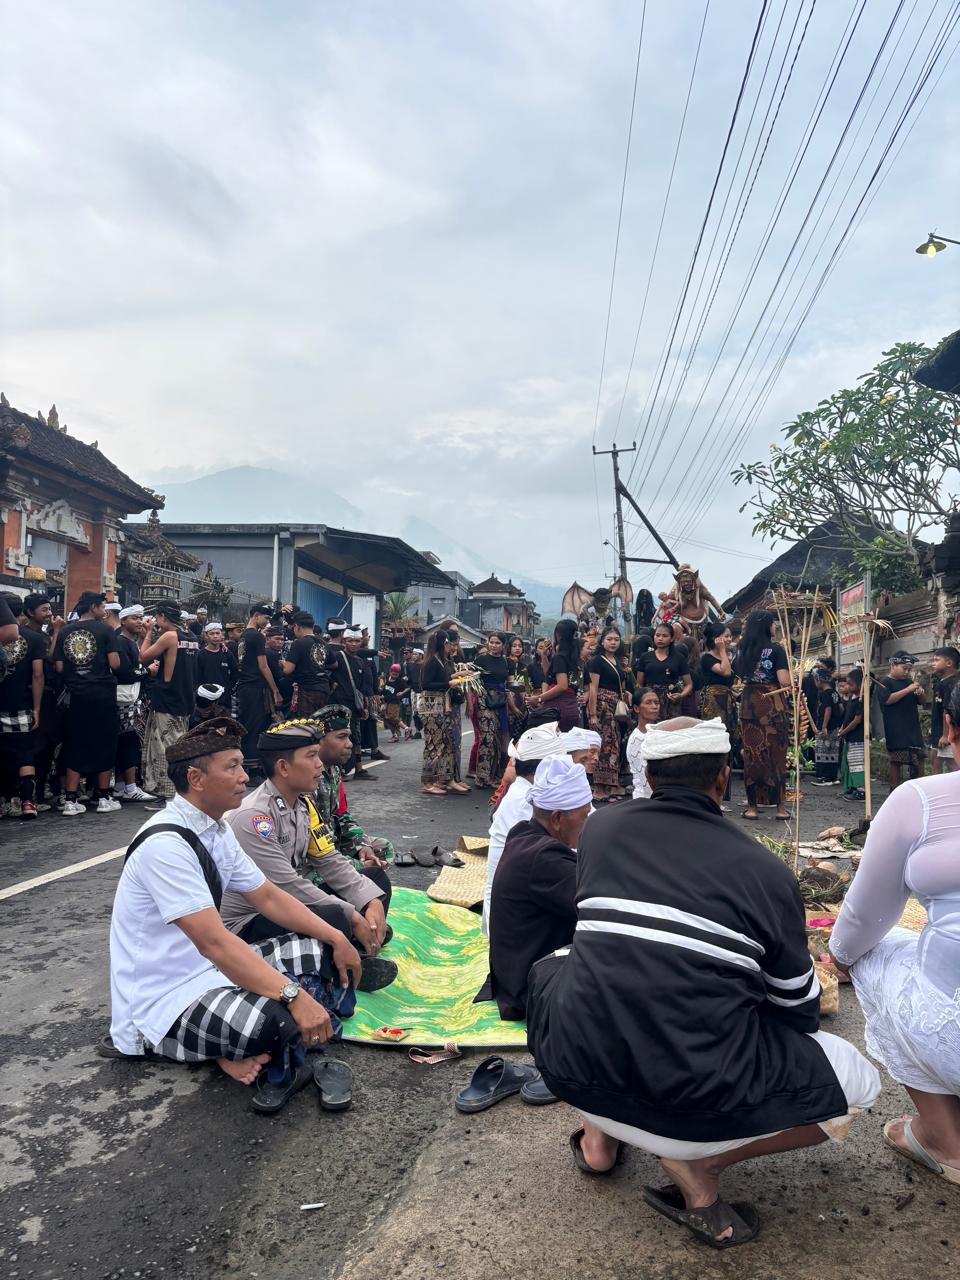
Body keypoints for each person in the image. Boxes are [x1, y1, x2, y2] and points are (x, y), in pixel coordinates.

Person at [528, 717, 881, 1249]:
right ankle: (703, 1165)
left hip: (573, 1067)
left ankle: (600, 1138)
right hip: (691, 1096)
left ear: (647, 772)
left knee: (560, 966)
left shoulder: (601, 828)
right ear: (723, 780)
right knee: (860, 1081)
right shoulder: (765, 872)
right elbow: (798, 1007)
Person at [104, 716, 361, 1111]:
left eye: (242, 765)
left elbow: (269, 897)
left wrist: (336, 937)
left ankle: (244, 1043)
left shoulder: (216, 829)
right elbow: (214, 942)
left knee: (320, 944)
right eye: (232, 767)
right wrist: (291, 994)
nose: (245, 776)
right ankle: (208, 1047)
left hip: (210, 975)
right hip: (165, 999)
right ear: (196, 778)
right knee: (278, 1019)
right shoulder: (166, 845)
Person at [830, 679, 960, 1186]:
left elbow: (863, 919)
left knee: (873, 954)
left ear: (948, 729)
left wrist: (838, 958)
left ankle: (943, 1139)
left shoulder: (921, 800)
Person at [221, 718, 393, 970]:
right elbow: (286, 887)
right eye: (311, 755)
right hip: (251, 921)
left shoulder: (302, 804)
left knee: (374, 879)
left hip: (287, 904)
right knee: (334, 915)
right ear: (283, 767)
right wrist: (352, 914)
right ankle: (344, 960)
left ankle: (357, 944)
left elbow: (329, 859)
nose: (320, 764)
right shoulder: (254, 818)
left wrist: (371, 900)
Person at [485, 756, 592, 1020]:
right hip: (530, 987)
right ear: (557, 819)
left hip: (514, 974)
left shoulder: (524, 833)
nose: (589, 822)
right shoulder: (545, 858)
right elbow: (595, 903)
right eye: (585, 815)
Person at [481, 723, 569, 936]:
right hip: (513, 924)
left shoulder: (526, 792)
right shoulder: (527, 803)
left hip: (508, 911)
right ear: (543, 770)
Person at [52, 591, 122, 816]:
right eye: (103, 606)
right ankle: (104, 796)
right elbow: (115, 663)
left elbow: (60, 668)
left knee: (75, 744)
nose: (105, 611)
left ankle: (70, 799)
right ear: (93, 607)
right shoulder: (106, 630)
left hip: (75, 695)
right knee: (104, 742)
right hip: (101, 693)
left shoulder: (65, 631)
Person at [309, 704, 398, 870]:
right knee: (357, 869)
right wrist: (356, 865)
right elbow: (309, 844)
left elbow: (342, 816)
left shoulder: (334, 770)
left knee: (381, 848)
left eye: (348, 737)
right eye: (341, 737)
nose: (349, 744)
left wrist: (362, 845)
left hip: (333, 842)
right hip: (315, 853)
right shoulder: (306, 776)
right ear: (319, 740)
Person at [138, 601, 200, 802]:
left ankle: (167, 793)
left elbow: (143, 658)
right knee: (180, 745)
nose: (155, 621)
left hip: (167, 698)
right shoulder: (191, 636)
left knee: (164, 748)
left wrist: (147, 633)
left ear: (163, 616)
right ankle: (180, 790)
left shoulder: (170, 636)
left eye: (157, 617)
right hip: (185, 699)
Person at [733, 609, 791, 822]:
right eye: (773, 623)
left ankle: (752, 808)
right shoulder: (776, 650)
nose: (775, 627)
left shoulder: (742, 650)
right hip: (771, 702)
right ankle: (780, 808)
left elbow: (737, 674)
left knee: (753, 755)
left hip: (749, 704)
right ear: (766, 626)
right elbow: (784, 681)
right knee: (777, 755)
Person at [0, 593, 46, 818]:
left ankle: (5, 801)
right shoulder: (34, 639)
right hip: (22, 703)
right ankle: (28, 801)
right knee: (25, 752)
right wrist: (37, 708)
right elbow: (38, 675)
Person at [112, 605, 155, 803]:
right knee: (128, 742)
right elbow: (125, 673)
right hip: (122, 698)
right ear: (122, 621)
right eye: (134, 618)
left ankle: (121, 786)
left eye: (140, 618)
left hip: (130, 698)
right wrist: (148, 671)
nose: (138, 622)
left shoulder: (130, 642)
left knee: (124, 742)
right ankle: (130, 787)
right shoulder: (120, 642)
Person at [419, 629, 470, 795]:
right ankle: (427, 782)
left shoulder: (442, 660)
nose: (451, 646)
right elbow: (426, 684)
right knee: (434, 743)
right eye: (448, 643)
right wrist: (450, 683)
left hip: (443, 705)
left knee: (446, 743)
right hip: (432, 706)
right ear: (443, 643)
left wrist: (457, 675)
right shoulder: (432, 661)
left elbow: (443, 679)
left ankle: (447, 778)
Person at [585, 625, 628, 802]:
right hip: (602, 707)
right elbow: (593, 688)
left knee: (613, 745)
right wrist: (593, 713)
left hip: (615, 707)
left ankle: (609, 786)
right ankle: (598, 788)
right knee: (601, 746)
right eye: (609, 639)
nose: (613, 643)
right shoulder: (597, 661)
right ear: (602, 641)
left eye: (616, 640)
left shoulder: (618, 661)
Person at [236, 603, 281, 771]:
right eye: (266, 618)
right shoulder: (257, 637)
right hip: (255, 687)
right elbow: (263, 666)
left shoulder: (243, 636)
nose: (268, 622)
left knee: (248, 726)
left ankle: (250, 765)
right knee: (256, 727)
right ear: (256, 615)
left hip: (245, 687)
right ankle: (253, 768)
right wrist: (275, 690)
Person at [878, 651, 926, 789]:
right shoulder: (885, 682)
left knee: (918, 759)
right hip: (896, 728)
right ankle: (894, 790)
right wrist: (907, 690)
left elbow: (921, 702)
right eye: (904, 669)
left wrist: (920, 693)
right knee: (896, 760)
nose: (907, 672)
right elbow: (887, 700)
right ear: (893, 665)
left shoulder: (909, 682)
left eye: (909, 670)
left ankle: (918, 790)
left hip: (912, 727)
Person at [527, 620, 580, 731]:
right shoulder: (575, 656)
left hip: (559, 707)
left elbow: (562, 685)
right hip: (572, 705)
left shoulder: (560, 657)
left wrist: (539, 698)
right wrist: (544, 656)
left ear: (558, 635)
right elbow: (550, 676)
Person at [634, 623, 693, 720]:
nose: (660, 638)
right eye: (657, 635)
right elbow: (639, 684)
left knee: (670, 731)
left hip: (671, 700)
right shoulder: (645, 657)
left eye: (665, 636)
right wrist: (645, 698)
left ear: (672, 638)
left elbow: (689, 684)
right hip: (650, 701)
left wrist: (681, 695)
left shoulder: (678, 658)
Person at [281, 611, 330, 716]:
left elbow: (288, 669)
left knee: (306, 725)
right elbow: (334, 664)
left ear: (297, 626)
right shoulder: (323, 643)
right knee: (321, 723)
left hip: (307, 690)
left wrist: (282, 663)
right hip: (324, 689)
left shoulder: (298, 643)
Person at [625, 688, 661, 800]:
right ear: (636, 708)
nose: (654, 706)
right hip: (645, 799)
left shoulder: (660, 734)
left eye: (656, 702)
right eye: (648, 702)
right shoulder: (636, 739)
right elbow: (643, 777)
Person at [835, 670, 865, 800]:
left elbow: (857, 720)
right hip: (849, 736)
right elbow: (847, 717)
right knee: (850, 763)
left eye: (850, 684)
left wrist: (844, 731)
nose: (848, 687)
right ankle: (852, 787)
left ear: (859, 685)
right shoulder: (852, 698)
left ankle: (861, 790)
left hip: (857, 737)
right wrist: (842, 729)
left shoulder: (861, 699)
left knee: (858, 764)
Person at [929, 646, 959, 775]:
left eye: (936, 660)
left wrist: (945, 735)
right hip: (938, 731)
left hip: (947, 734)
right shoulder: (942, 683)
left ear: (949, 663)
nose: (933, 663)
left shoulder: (952, 683)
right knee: (935, 760)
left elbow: (947, 711)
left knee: (952, 764)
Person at [196, 622, 238, 714]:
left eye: (217, 633)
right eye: (212, 633)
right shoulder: (200, 655)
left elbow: (235, 674)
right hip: (204, 703)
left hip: (223, 702)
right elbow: (196, 677)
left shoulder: (227, 654)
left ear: (221, 635)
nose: (215, 636)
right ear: (206, 636)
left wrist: (227, 690)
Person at [810, 668, 841, 788]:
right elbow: (840, 708)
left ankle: (825, 777)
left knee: (823, 751)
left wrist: (824, 726)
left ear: (819, 680)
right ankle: (833, 776)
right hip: (834, 726)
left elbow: (827, 709)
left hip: (826, 727)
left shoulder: (824, 694)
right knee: (833, 751)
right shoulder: (834, 692)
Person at [380, 663, 407, 742]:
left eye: (396, 674)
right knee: (386, 719)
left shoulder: (399, 681)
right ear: (390, 671)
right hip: (386, 702)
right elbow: (385, 690)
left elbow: (408, 688)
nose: (394, 675)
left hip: (394, 702)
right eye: (393, 673)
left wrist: (402, 693)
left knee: (393, 718)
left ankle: (407, 728)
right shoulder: (387, 679)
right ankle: (394, 735)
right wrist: (381, 695)